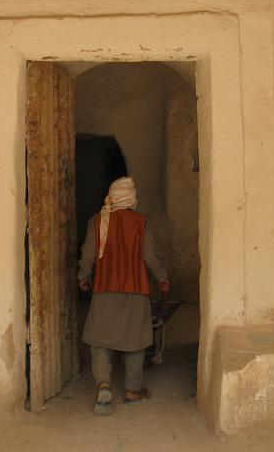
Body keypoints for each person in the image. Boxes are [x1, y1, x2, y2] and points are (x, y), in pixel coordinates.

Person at [78, 176, 169, 416]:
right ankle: (132, 391)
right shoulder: (142, 223)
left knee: (99, 342)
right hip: (136, 290)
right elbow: (150, 257)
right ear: (131, 198)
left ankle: (103, 385)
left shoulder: (97, 221)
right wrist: (162, 277)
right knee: (135, 341)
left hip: (103, 289)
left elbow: (87, 255)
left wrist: (83, 276)